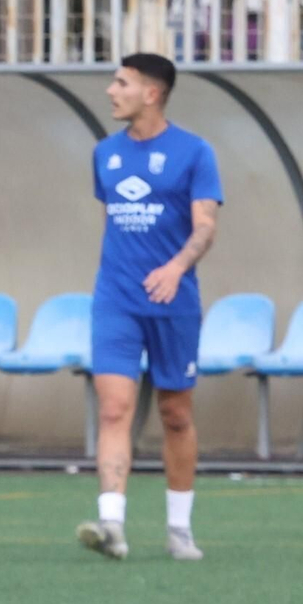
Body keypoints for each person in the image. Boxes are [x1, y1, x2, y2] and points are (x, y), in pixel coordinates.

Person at [76, 53, 223, 562]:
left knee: (175, 413)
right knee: (114, 408)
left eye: (122, 83)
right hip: (115, 299)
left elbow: (206, 226)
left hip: (173, 302)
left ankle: (179, 529)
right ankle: (111, 524)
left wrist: (176, 267)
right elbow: (113, 223)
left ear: (152, 93)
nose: (111, 91)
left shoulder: (195, 152)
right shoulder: (105, 153)